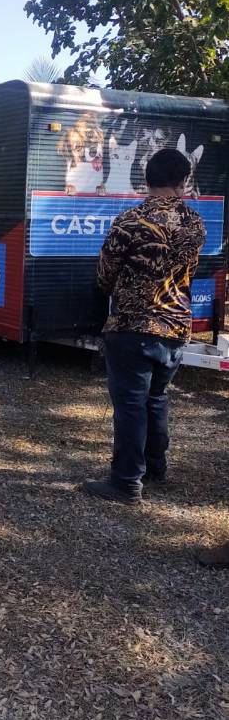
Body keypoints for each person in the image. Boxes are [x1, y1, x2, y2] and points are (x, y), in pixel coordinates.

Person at [83, 148, 206, 505]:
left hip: (133, 325)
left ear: (147, 177)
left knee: (131, 404)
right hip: (176, 326)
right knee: (156, 399)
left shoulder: (131, 221)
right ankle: (155, 467)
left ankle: (125, 482)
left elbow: (104, 275)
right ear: (184, 181)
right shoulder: (195, 224)